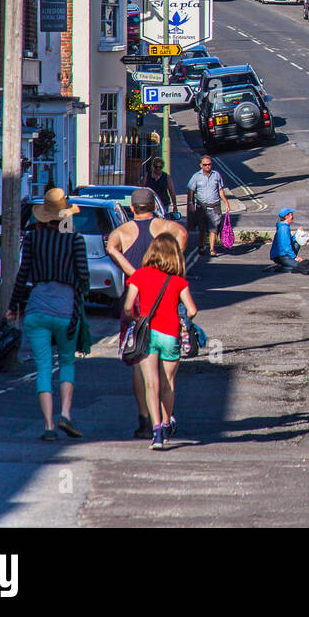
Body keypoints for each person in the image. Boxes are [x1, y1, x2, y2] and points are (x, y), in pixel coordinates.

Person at [106, 188, 188, 439]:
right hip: (164, 298)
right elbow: (182, 233)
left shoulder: (123, 231)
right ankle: (164, 418)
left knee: (138, 359)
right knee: (166, 362)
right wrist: (174, 266)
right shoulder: (164, 226)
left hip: (138, 299)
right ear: (154, 205)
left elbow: (111, 247)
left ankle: (144, 418)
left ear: (132, 208)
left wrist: (133, 272)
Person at [11, 188, 90, 441]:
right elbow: (84, 279)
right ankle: (65, 414)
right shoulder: (74, 239)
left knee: (43, 367)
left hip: (36, 309)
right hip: (67, 311)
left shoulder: (33, 239)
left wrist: (13, 305)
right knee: (67, 361)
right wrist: (79, 304)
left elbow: (23, 275)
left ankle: (48, 426)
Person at [123, 233, 198, 451]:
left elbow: (128, 306)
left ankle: (156, 433)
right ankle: (167, 423)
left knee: (151, 384)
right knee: (168, 383)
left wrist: (139, 319)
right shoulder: (178, 281)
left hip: (148, 334)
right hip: (171, 334)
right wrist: (182, 317)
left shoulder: (140, 275)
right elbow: (192, 311)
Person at [186, 155, 231, 257]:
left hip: (214, 206)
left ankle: (212, 249)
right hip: (201, 207)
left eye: (209, 164)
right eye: (205, 165)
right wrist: (190, 203)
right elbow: (190, 190)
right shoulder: (196, 176)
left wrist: (226, 203)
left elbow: (220, 190)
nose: (207, 166)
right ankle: (201, 246)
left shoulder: (216, 175)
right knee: (202, 229)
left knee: (213, 229)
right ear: (201, 165)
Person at [270, 207, 309, 273]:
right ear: (287, 216)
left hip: (284, 254)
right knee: (300, 267)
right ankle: (279, 267)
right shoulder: (284, 229)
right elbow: (286, 246)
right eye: (291, 215)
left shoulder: (284, 226)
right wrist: (295, 257)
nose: (293, 217)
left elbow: (290, 241)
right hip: (281, 256)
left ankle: (283, 265)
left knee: (298, 240)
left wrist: (298, 233)